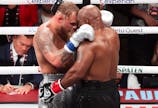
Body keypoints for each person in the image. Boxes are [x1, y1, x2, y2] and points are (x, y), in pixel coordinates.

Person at [48, 5, 120, 108]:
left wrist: (54, 88)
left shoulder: (89, 44)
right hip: (112, 91)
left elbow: (76, 73)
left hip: (91, 95)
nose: (78, 26)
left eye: (79, 22)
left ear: (86, 21)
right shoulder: (113, 34)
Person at [33, 2, 94, 108]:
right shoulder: (44, 33)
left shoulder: (68, 30)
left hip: (74, 82)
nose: (75, 27)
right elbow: (57, 61)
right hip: (54, 86)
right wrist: (75, 40)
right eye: (72, 23)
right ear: (60, 18)